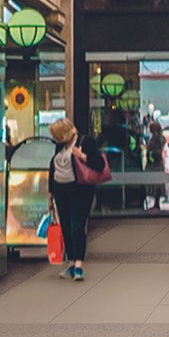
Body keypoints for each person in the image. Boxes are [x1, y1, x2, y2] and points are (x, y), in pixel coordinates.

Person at [47, 119, 98, 280]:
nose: (57, 140)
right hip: (60, 191)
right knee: (66, 227)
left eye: (58, 136)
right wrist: (50, 193)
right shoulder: (60, 146)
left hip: (80, 191)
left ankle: (78, 265)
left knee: (77, 226)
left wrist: (82, 155)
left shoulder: (85, 141)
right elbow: (52, 168)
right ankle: (70, 262)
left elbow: (99, 164)